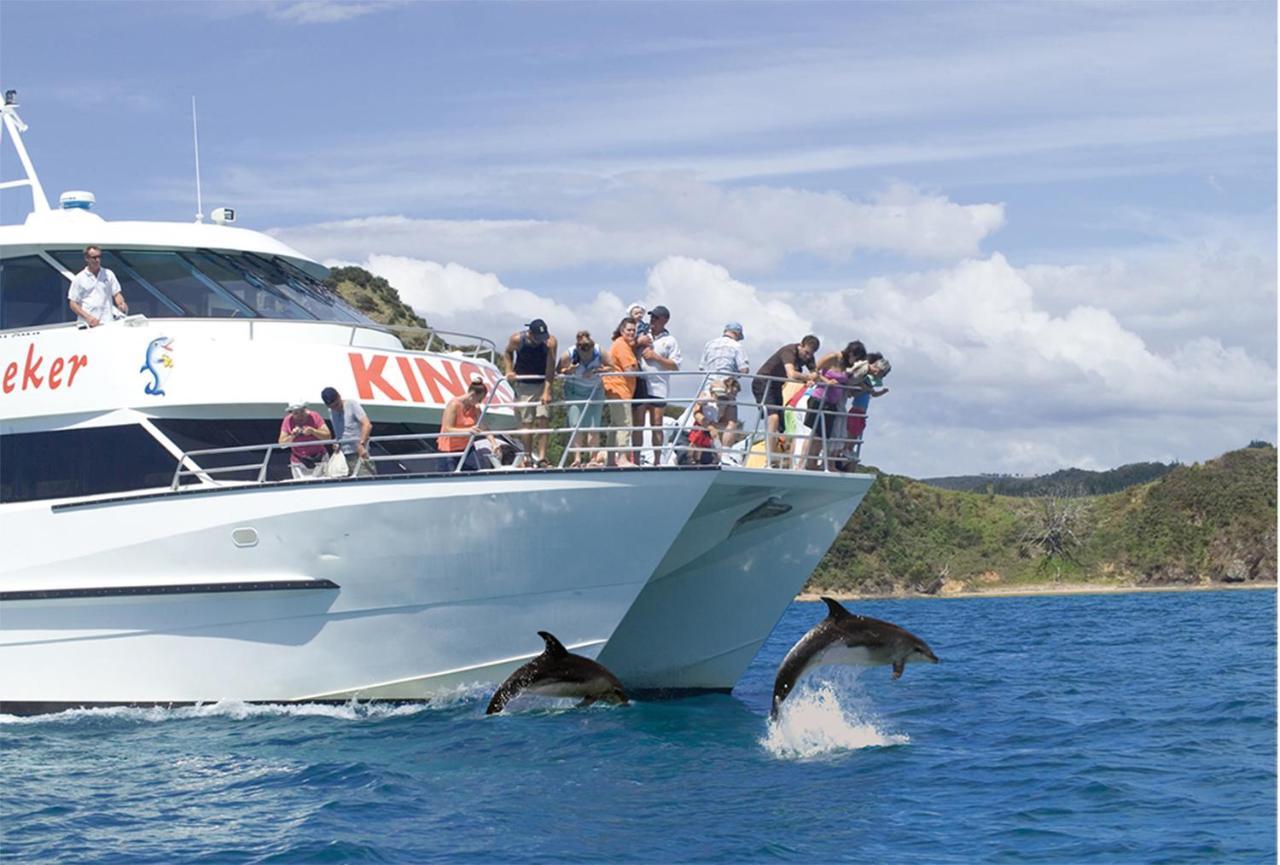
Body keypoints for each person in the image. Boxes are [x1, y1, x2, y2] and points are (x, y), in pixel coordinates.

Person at [753, 335, 820, 462]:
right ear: (800, 345)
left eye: (811, 354)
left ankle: (784, 457)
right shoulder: (789, 351)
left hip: (777, 385)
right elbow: (791, 374)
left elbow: (816, 374)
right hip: (763, 382)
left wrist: (814, 379)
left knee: (782, 425)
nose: (807, 357)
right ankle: (769, 457)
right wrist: (808, 378)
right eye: (806, 352)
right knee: (773, 417)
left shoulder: (809, 356)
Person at [503, 319, 558, 467]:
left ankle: (542, 458)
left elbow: (550, 366)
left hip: (542, 381)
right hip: (524, 384)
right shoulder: (517, 339)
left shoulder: (550, 342)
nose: (542, 340)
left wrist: (547, 391)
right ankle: (527, 457)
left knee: (543, 418)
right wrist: (509, 370)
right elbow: (507, 353)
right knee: (527, 422)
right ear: (530, 334)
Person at [636, 305, 682, 465]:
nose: (652, 320)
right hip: (640, 385)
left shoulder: (670, 340)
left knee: (657, 424)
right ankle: (635, 458)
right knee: (638, 424)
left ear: (665, 320)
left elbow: (675, 365)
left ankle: (657, 460)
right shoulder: (642, 334)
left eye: (656, 317)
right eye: (651, 317)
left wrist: (656, 357)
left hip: (659, 387)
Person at [557, 330, 606, 467]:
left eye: (588, 354)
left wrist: (596, 370)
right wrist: (568, 370)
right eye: (583, 354)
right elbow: (558, 370)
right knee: (575, 424)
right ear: (578, 349)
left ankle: (593, 459)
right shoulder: (569, 354)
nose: (586, 357)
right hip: (574, 389)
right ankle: (577, 459)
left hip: (595, 389)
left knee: (594, 425)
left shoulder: (599, 351)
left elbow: (611, 366)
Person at [698, 323, 749, 447]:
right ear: (737, 334)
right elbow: (744, 370)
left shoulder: (709, 344)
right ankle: (725, 453)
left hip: (708, 388)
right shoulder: (737, 346)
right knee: (731, 422)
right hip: (726, 388)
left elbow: (701, 367)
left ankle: (704, 453)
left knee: (704, 420)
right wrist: (734, 374)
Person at [440, 375, 501, 471]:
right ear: (472, 395)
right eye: (479, 399)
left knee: (475, 472)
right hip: (449, 451)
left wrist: (494, 443)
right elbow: (447, 429)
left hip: (467, 448)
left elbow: (484, 427)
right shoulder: (453, 405)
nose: (480, 402)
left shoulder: (475, 408)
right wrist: (468, 430)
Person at [841, 354, 891, 470]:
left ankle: (849, 449)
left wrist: (882, 392)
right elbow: (858, 388)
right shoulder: (864, 379)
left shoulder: (869, 385)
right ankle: (846, 449)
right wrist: (866, 388)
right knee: (851, 432)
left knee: (856, 433)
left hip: (862, 413)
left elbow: (873, 393)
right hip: (855, 410)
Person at [602, 317, 640, 467]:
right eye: (629, 330)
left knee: (615, 425)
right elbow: (630, 370)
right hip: (619, 389)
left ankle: (611, 460)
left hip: (615, 389)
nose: (632, 333)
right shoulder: (622, 345)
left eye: (634, 330)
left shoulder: (620, 344)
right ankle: (622, 458)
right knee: (625, 423)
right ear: (621, 330)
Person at [67, 245, 128, 327]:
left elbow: (116, 294)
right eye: (94, 257)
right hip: (88, 325)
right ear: (87, 258)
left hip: (107, 322)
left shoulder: (108, 274)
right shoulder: (79, 278)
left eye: (99, 257)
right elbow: (73, 304)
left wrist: (121, 304)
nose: (97, 260)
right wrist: (88, 318)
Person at [320, 386, 375, 477]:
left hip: (359, 453)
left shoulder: (352, 404)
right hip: (343, 456)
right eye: (332, 407)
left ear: (339, 397)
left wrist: (361, 444)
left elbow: (367, 425)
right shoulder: (331, 411)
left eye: (337, 405)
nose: (335, 408)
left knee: (367, 481)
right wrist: (337, 443)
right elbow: (341, 432)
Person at [279, 398, 330, 479]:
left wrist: (313, 431)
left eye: (302, 411)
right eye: (296, 413)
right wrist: (293, 436)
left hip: (320, 458)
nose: (300, 416)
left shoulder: (315, 416)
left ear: (306, 409)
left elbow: (328, 437)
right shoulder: (287, 421)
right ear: (291, 413)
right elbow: (281, 444)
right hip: (299, 461)